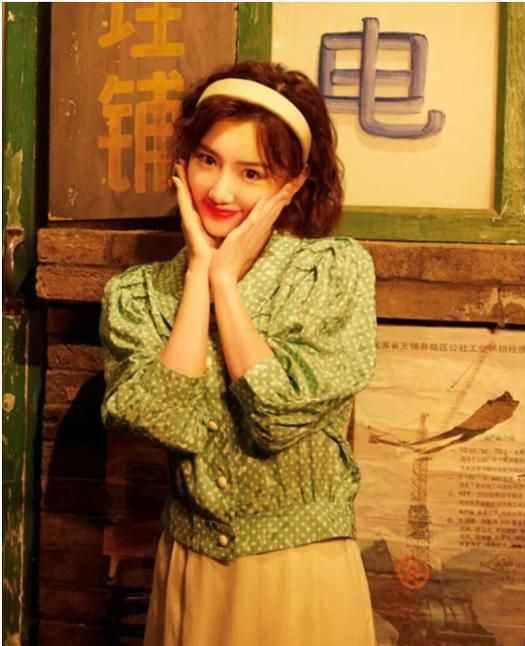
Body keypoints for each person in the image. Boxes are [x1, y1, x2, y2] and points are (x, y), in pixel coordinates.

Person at [99, 61, 378, 646]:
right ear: (183, 161)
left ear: (293, 184)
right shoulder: (138, 295)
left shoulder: (331, 274)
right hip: (190, 569)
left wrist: (225, 285)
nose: (220, 191)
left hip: (301, 572)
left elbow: (278, 415)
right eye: (207, 160)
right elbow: (162, 421)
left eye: (251, 172)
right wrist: (199, 274)